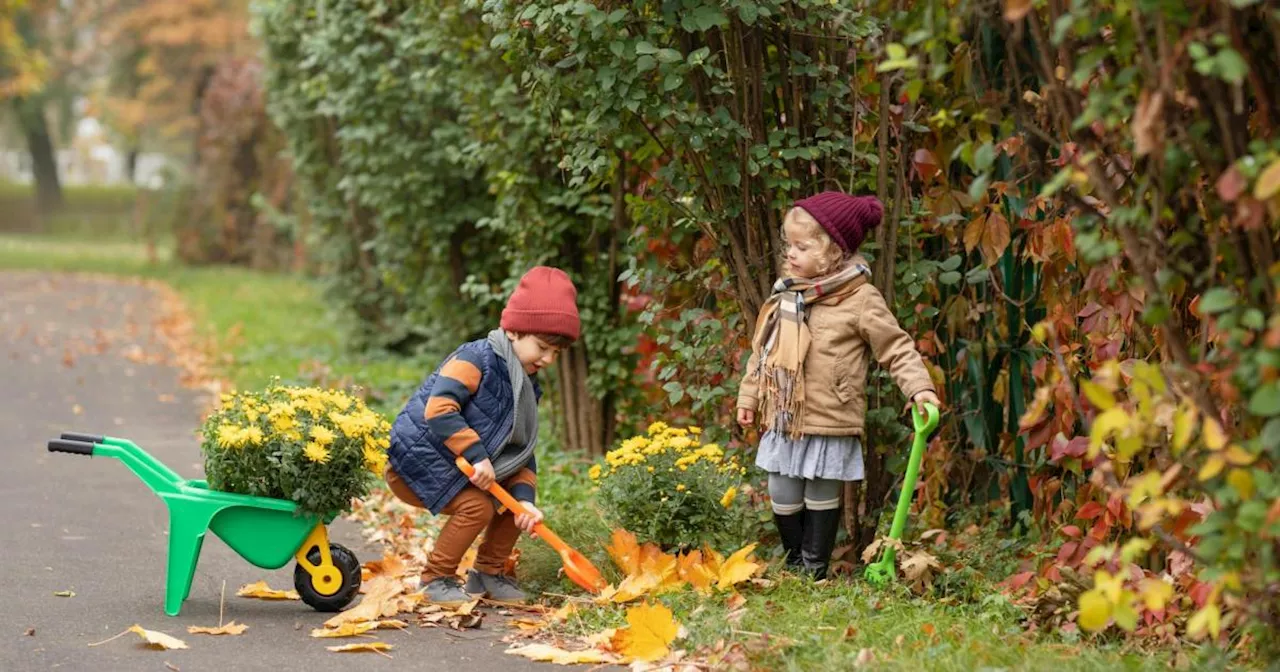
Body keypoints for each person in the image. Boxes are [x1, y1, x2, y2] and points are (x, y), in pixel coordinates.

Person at [736, 192, 941, 580]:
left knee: (820, 496)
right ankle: (795, 560)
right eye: (788, 245)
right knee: (782, 492)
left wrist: (919, 389)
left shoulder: (861, 300)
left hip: (831, 415)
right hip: (785, 416)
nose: (791, 254)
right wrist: (749, 396)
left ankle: (813, 571)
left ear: (833, 252)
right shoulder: (787, 295)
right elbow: (762, 352)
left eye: (802, 246)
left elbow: (896, 348)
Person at [384, 266, 580, 604]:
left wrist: (525, 501)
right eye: (543, 347)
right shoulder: (475, 359)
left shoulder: (525, 386)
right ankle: (435, 579)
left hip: (463, 469)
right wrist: (477, 455)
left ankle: (488, 575)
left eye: (556, 353)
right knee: (478, 508)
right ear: (515, 331)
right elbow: (439, 409)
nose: (548, 359)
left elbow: (521, 449)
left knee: (511, 507)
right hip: (418, 463)